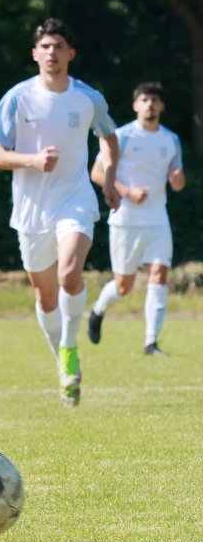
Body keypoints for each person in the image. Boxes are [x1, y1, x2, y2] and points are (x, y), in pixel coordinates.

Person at [0, 17, 120, 409]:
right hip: (30, 212)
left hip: (75, 200)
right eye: (45, 47)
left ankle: (69, 348)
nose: (52, 53)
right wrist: (32, 160)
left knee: (68, 274)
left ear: (70, 53)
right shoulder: (17, 98)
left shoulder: (87, 98)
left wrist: (109, 180)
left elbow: (110, 140)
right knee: (46, 299)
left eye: (59, 46)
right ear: (35, 54)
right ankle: (62, 363)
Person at [87, 81, 187, 356]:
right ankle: (97, 311)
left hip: (157, 220)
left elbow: (177, 182)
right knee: (124, 286)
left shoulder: (171, 139)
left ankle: (150, 342)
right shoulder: (121, 136)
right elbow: (97, 173)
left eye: (155, 100)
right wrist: (126, 191)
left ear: (162, 106)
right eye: (144, 99)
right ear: (135, 105)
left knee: (159, 274)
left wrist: (177, 181)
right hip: (126, 221)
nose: (150, 104)